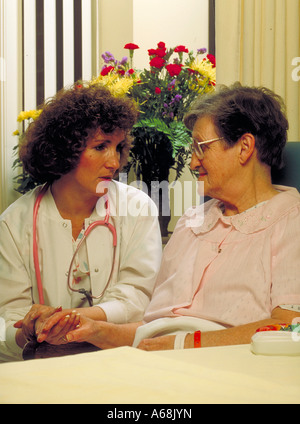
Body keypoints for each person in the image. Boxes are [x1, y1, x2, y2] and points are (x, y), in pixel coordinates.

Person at [25, 83, 300, 352]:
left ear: (244, 147)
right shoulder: (191, 222)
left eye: (201, 147)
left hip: (227, 370)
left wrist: (183, 344)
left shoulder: (291, 222)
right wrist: (93, 329)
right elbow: (152, 331)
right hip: (155, 361)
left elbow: (289, 327)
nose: (193, 162)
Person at [0, 83, 162, 362]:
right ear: (65, 149)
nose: (114, 162)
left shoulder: (137, 208)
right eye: (100, 147)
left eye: (118, 147)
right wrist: (31, 329)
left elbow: (137, 299)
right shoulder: (14, 223)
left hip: (119, 360)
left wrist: (67, 319)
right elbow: (9, 319)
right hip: (42, 368)